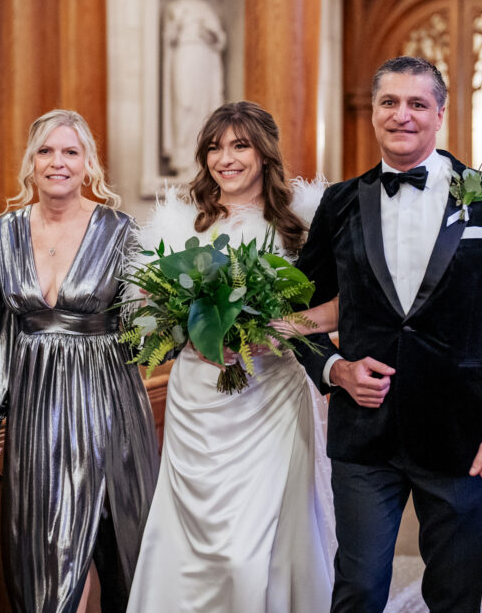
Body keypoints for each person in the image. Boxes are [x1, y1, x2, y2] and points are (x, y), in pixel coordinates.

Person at [295, 56, 482, 612]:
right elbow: (293, 313)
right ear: (374, 113)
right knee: (357, 588)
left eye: (416, 104)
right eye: (389, 102)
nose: (401, 115)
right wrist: (334, 370)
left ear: (439, 114)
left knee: (455, 595)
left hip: (461, 432)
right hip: (365, 433)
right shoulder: (339, 204)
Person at [126, 101, 334, 612]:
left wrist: (280, 328)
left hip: (272, 397)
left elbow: (344, 305)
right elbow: (151, 309)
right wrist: (187, 333)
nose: (227, 158)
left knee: (259, 544)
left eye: (240, 145)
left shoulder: (302, 225)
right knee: (193, 534)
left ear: (265, 153)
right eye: (216, 147)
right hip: (199, 397)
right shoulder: (179, 226)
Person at [0, 109, 159, 613]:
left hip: (106, 399)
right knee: (44, 545)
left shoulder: (120, 230)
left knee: (111, 537)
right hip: (35, 409)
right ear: (30, 164)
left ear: (88, 162)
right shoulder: (6, 233)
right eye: (46, 151)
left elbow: (143, 327)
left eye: (71, 152)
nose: (58, 163)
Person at [161, 0, 227, 176]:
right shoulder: (177, 5)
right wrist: (176, 27)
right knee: (185, 103)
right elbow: (169, 37)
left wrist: (210, 35)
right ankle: (183, 159)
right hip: (185, 55)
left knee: (205, 108)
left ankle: (202, 158)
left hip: (205, 59)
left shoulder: (208, 9)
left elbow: (220, 40)